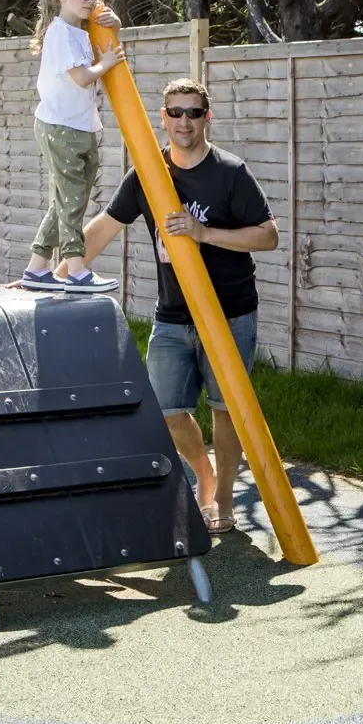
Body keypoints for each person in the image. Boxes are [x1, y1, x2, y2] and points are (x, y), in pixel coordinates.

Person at [77, 78, 279, 533]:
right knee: (166, 412)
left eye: (193, 112)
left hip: (229, 312)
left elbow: (268, 236)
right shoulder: (147, 174)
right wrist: (56, 272)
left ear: (206, 117)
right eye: (175, 112)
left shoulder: (230, 172)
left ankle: (224, 500)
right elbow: (104, 227)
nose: (184, 121)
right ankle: (203, 475)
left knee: (226, 411)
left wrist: (203, 233)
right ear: (163, 118)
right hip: (172, 314)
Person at [19, 0, 124, 294]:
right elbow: (80, 78)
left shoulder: (80, 30)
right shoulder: (61, 32)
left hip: (79, 126)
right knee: (72, 199)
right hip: (60, 126)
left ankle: (37, 268)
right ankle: (76, 269)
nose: (90, 0)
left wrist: (115, 23)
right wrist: (105, 65)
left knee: (66, 198)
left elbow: (105, 34)